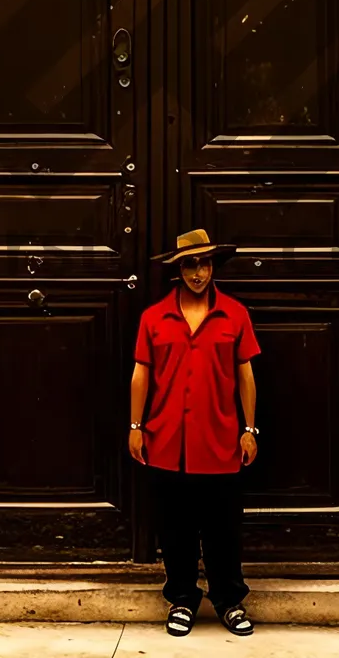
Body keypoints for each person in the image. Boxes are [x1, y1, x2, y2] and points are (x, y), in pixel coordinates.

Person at [129, 228, 260, 637]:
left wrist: (249, 428)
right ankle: (183, 599)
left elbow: (246, 375)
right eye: (190, 264)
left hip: (219, 440)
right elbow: (141, 374)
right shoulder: (154, 317)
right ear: (179, 269)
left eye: (204, 263)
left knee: (223, 528)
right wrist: (135, 426)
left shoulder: (234, 314)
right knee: (175, 527)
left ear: (213, 266)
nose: (198, 272)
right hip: (166, 440)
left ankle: (228, 599)